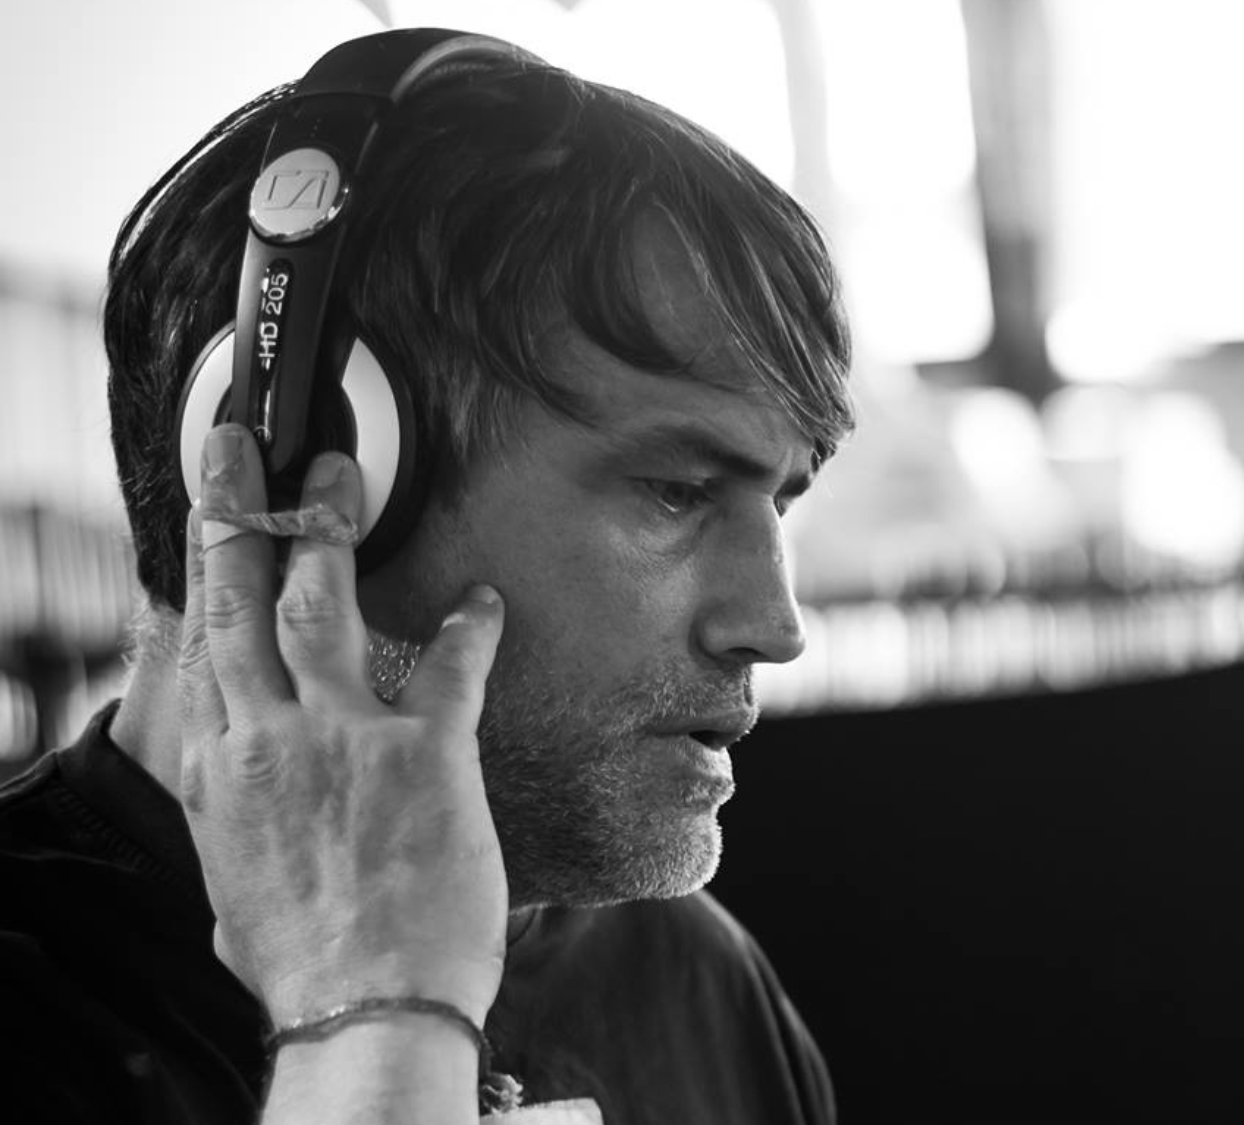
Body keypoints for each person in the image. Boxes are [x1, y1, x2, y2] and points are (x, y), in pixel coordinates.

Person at [0, 27, 853, 1125]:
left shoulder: (695, 978)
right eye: (678, 491)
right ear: (313, 469)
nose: (774, 625)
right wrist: (375, 1015)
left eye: (779, 504)